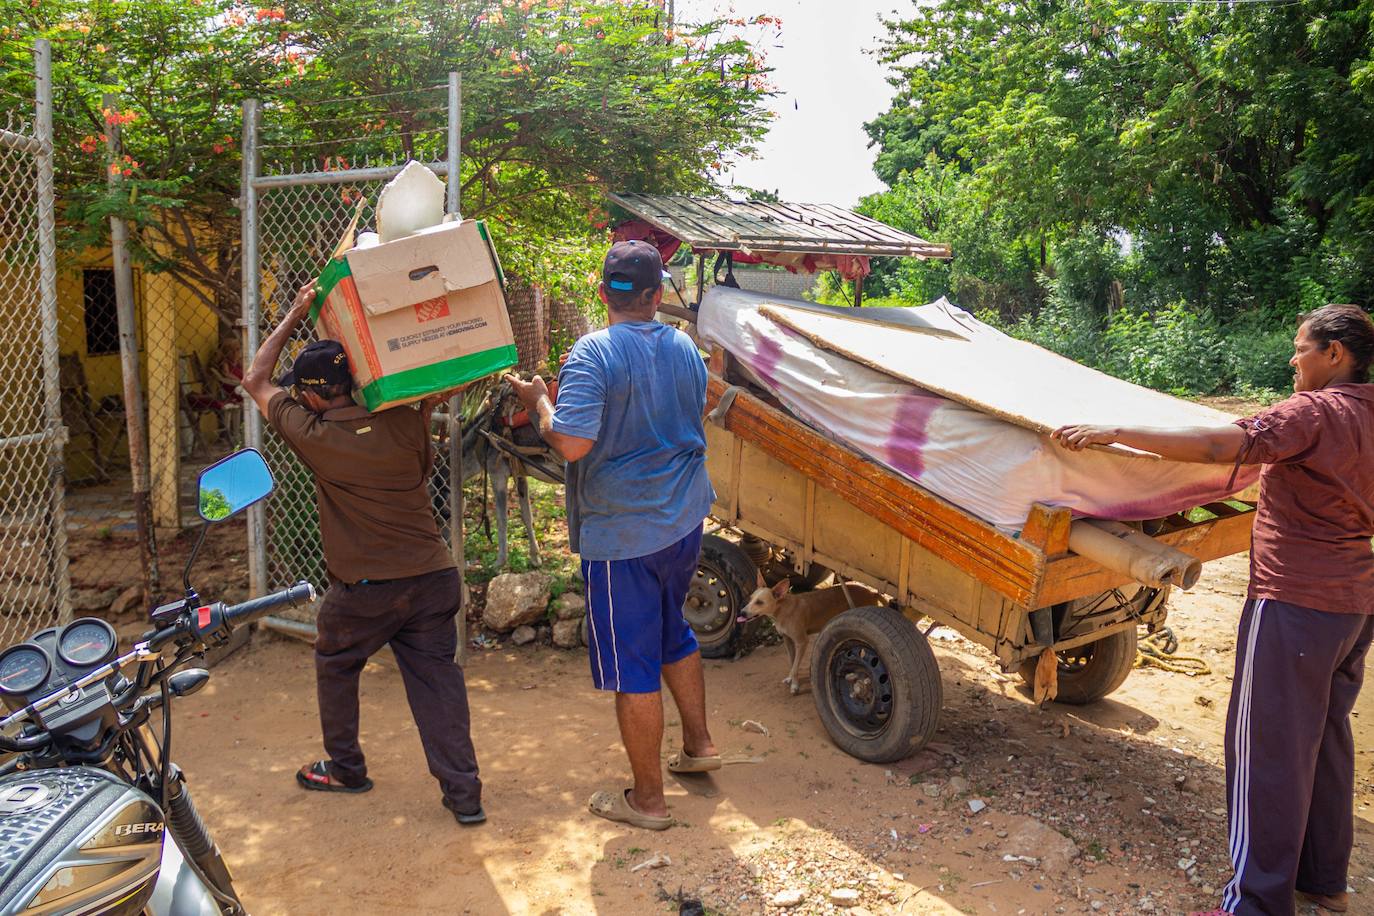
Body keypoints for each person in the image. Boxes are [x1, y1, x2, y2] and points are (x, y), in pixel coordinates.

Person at [1052, 304, 1374, 915]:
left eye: (1301, 348)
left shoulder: (1314, 412)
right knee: (1326, 736)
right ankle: (1324, 880)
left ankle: (1254, 904)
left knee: (1269, 749)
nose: (1292, 359)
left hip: (1293, 601)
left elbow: (1220, 444)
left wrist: (1114, 432)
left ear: (1335, 354)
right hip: (1353, 604)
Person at [241, 282, 485, 826]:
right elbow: (422, 469)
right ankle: (464, 795)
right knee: (436, 682)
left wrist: (298, 311)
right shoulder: (403, 417)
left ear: (309, 396)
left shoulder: (312, 432)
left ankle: (347, 768)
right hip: (432, 577)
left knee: (335, 658)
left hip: (368, 590)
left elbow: (254, 379)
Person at [506, 240, 718, 831]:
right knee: (672, 627)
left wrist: (540, 401)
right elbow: (694, 413)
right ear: (655, 296)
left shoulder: (593, 354)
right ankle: (699, 746)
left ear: (604, 293)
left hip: (625, 534)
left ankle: (648, 802)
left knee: (632, 668)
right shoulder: (684, 347)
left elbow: (572, 443)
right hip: (683, 520)